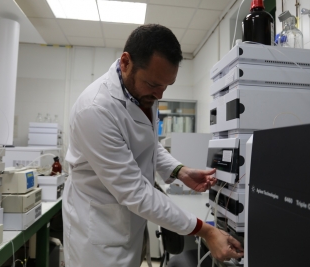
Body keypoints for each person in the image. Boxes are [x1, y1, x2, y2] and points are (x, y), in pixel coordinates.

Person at [62, 24, 244, 267]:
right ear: (125, 62)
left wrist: (180, 171)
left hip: (127, 220)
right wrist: (205, 230)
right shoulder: (95, 110)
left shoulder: (143, 92)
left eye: (165, 86)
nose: (159, 95)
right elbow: (134, 191)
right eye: (153, 85)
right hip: (98, 230)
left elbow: (148, 144)